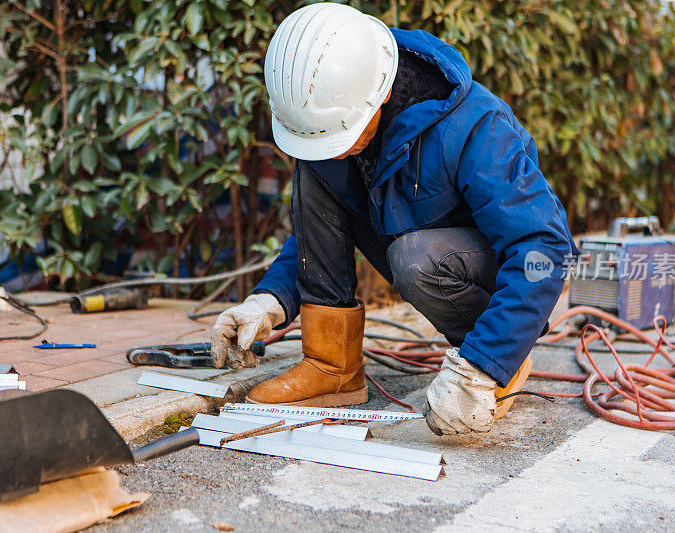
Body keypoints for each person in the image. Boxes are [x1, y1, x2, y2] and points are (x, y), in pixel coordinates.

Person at [211, 3, 578, 437]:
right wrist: (268, 300)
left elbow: (545, 249)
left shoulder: (475, 124)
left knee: (415, 256)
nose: (334, 148)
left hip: (483, 272)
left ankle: (492, 363)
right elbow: (319, 236)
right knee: (317, 172)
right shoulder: (333, 120)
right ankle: (333, 367)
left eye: (339, 136)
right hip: (419, 250)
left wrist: (486, 363)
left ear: (381, 93)